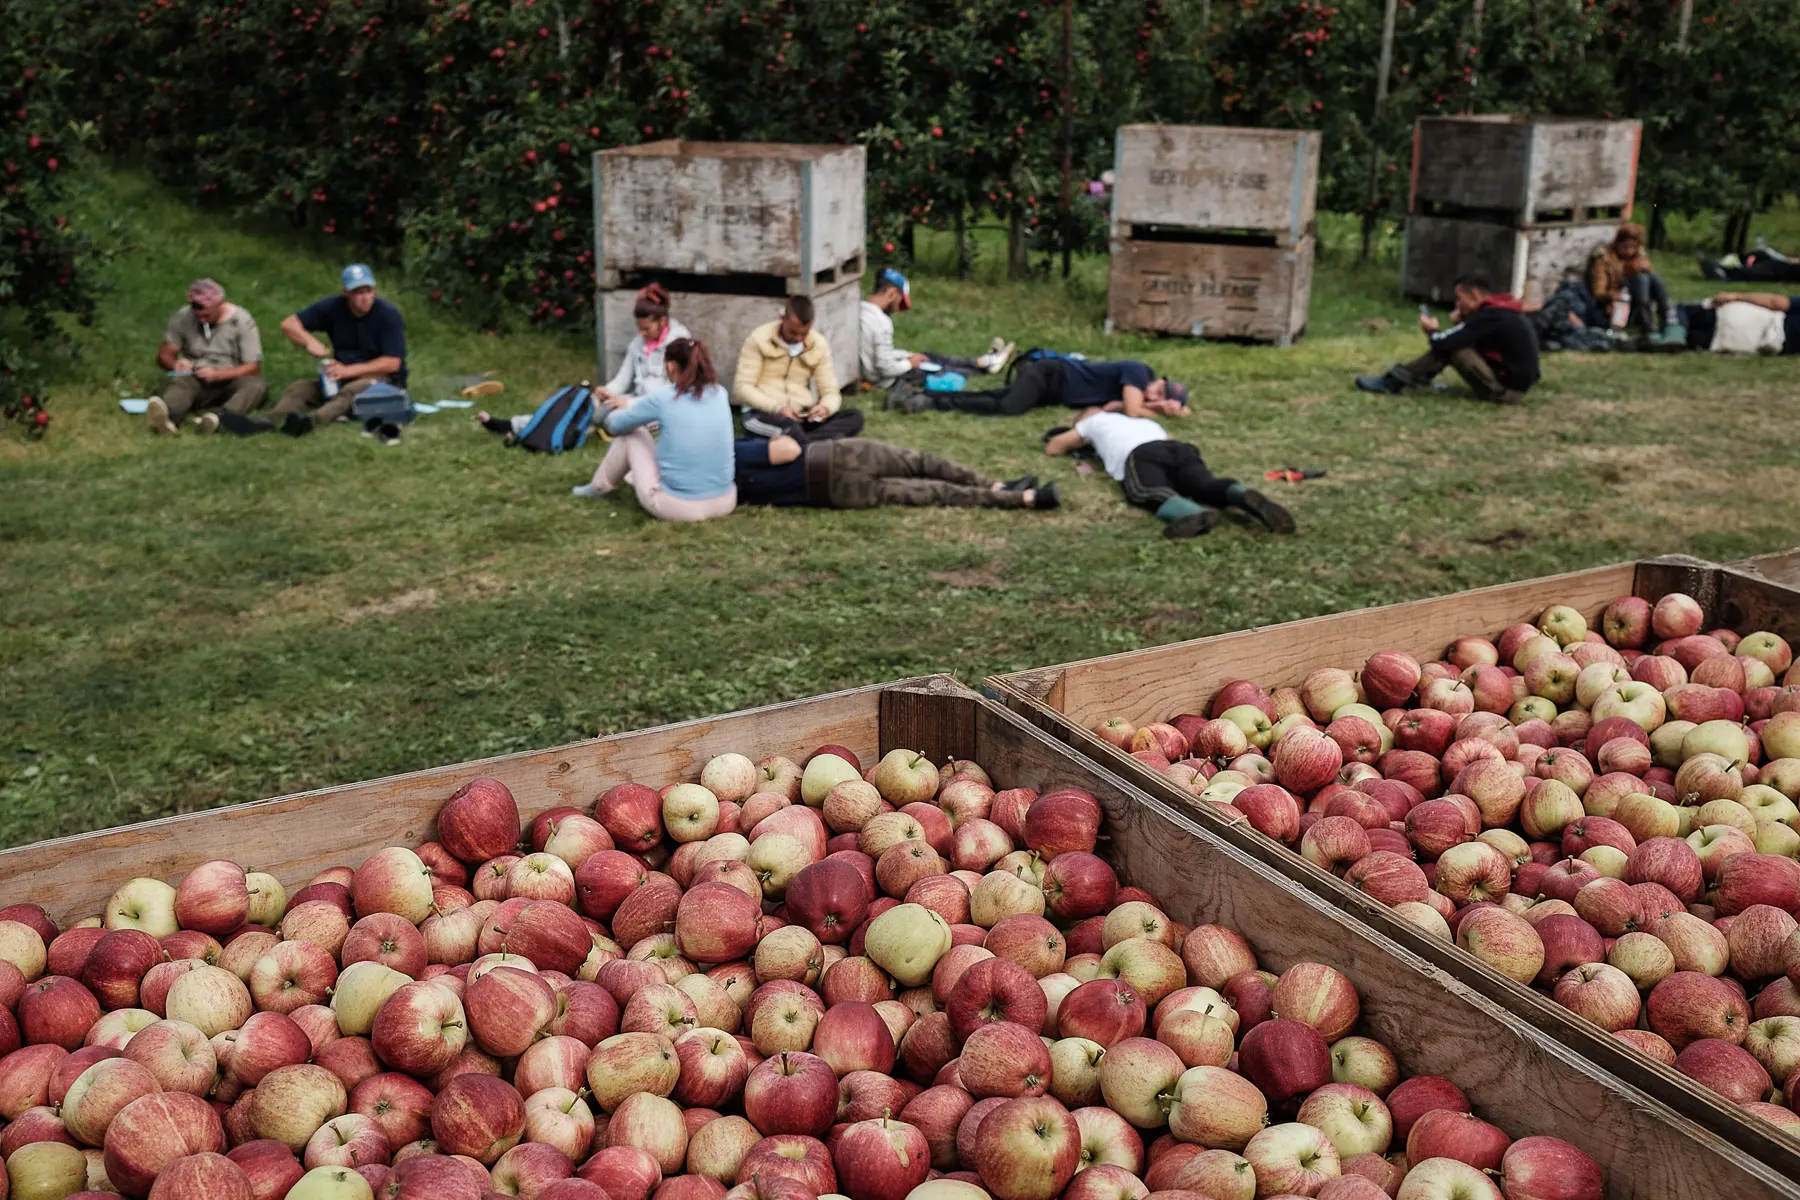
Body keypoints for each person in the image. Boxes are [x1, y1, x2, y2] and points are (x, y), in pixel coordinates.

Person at [1045, 409, 1294, 540]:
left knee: (1146, 490)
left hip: (1140, 454)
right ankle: (1239, 493)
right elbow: (1168, 442)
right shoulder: (1143, 422)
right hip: (1177, 448)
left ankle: (1191, 513)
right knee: (1204, 485)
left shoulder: (1093, 422)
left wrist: (1079, 439)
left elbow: (1054, 446)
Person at [479, 283, 688, 438]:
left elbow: (674, 393)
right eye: (639, 328)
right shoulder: (637, 343)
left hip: (658, 409)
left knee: (612, 422)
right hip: (631, 402)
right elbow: (622, 381)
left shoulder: (680, 343)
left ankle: (556, 433)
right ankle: (517, 426)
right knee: (586, 406)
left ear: (662, 321)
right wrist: (607, 392)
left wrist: (628, 403)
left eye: (646, 328)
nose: (641, 333)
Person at [573, 337, 737, 522]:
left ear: (671, 366)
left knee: (633, 434)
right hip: (726, 500)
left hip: (679, 507)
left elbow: (615, 426)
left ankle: (598, 487)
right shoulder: (720, 393)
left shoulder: (665, 398)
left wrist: (613, 409)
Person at [734, 435, 1058, 512]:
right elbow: (788, 449)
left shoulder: (718, 488)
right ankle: (1000, 487)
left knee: (933, 493)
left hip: (833, 495)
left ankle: (1022, 496)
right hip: (837, 458)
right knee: (921, 463)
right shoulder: (730, 452)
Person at [1354, 274, 1540, 405]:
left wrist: (1432, 331)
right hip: (1516, 387)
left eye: (1459, 299)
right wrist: (1465, 322)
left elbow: (1445, 342)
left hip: (1506, 392)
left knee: (1453, 348)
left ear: (1474, 295)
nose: (1457, 305)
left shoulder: (1491, 315)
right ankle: (1417, 377)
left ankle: (1394, 381)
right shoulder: (1501, 312)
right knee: (1454, 343)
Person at [269, 264, 408, 436]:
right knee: (299, 388)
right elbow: (289, 324)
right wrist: (310, 342)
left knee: (354, 390)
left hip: (382, 379)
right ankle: (270, 420)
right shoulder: (333, 308)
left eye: (368, 291)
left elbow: (392, 363)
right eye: (358, 292)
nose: (365, 297)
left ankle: (311, 422)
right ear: (346, 292)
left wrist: (347, 371)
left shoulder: (388, 315)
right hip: (341, 375)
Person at [860, 267, 1013, 410]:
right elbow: (884, 367)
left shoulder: (859, 309)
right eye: (899, 302)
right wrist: (909, 363)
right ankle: (987, 364)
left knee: (928, 357)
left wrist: (907, 356)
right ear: (892, 294)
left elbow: (879, 354)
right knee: (935, 366)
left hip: (873, 372)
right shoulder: (881, 322)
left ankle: (985, 361)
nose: (897, 308)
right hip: (884, 379)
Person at [146, 279, 267, 435]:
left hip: (231, 378)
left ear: (219, 305)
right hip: (196, 375)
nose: (202, 320)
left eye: (207, 316)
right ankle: (168, 417)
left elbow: (253, 367)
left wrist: (218, 375)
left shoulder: (242, 321)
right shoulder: (182, 318)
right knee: (181, 383)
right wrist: (175, 364)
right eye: (198, 316)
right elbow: (164, 355)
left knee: (256, 386)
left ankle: (220, 419)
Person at [733, 295, 862, 441]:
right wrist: (778, 408)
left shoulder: (818, 344)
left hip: (802, 414)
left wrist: (825, 408)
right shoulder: (758, 339)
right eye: (793, 332)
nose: (798, 338)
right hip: (764, 413)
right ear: (783, 319)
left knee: (854, 417)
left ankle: (803, 444)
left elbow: (830, 391)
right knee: (790, 430)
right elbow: (742, 388)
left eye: (804, 333)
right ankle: (815, 445)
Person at [920, 353, 1190, 418]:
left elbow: (1114, 406)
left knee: (997, 395)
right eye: (1161, 390)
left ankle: (928, 395)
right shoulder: (1139, 371)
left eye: (1162, 396)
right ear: (1160, 380)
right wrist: (1160, 408)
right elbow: (1132, 410)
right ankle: (935, 401)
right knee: (1009, 407)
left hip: (1053, 389)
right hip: (1050, 374)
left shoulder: (1139, 385)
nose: (1155, 394)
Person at [1587, 224, 1678, 342]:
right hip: (1615, 306)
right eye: (1625, 247)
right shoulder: (1604, 260)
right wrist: (1613, 294)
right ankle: (1647, 326)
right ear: (1617, 243)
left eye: (1633, 247)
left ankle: (1667, 319)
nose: (1629, 252)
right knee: (1641, 280)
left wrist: (1644, 267)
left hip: (1636, 301)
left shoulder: (1639, 257)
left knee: (1653, 277)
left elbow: (1652, 282)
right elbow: (1598, 292)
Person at [1676, 292, 1800, 355]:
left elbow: (1776, 303)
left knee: (1677, 313)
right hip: (1744, 343)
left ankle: (1671, 330)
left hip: (1745, 317)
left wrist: (1737, 296)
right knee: (1686, 341)